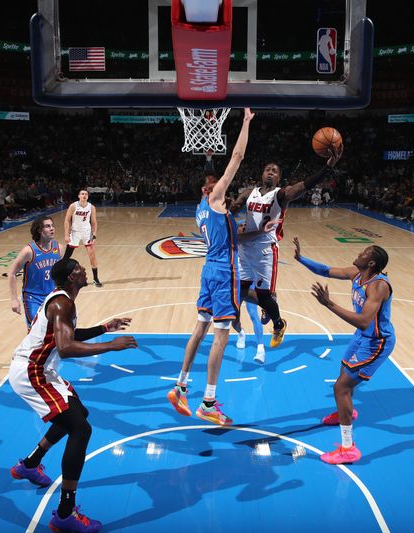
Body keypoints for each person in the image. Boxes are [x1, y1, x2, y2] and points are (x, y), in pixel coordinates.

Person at [8, 258, 137, 533]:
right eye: (78, 269)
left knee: (79, 415)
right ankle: (65, 514)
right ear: (70, 278)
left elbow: (67, 333)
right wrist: (110, 346)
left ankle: (30, 464)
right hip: (33, 371)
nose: (83, 271)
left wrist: (104, 328)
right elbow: (66, 347)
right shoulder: (62, 302)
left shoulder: (64, 301)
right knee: (81, 428)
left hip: (44, 370)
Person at [166, 108, 254, 426]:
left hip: (207, 272)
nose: (222, 187)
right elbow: (239, 155)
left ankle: (180, 385)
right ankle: (209, 402)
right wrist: (245, 122)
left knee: (199, 327)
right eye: (216, 185)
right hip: (223, 272)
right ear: (209, 190)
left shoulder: (201, 210)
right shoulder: (216, 198)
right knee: (221, 336)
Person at [230, 143, 343, 349]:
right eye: (268, 169)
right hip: (246, 250)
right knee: (242, 291)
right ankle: (264, 305)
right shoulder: (249, 193)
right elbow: (231, 211)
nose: (271, 172)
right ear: (262, 174)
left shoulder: (281, 195)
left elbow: (304, 185)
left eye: (275, 171)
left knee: (264, 295)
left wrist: (328, 167)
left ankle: (279, 324)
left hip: (265, 250)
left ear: (279, 178)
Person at [293, 237, 395, 464]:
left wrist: (329, 304)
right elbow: (327, 270)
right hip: (362, 337)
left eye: (365, 253)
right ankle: (344, 413)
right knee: (343, 373)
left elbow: (363, 321)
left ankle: (348, 448)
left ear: (371, 264)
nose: (360, 253)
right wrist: (301, 259)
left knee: (341, 387)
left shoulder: (378, 286)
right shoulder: (356, 273)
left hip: (377, 342)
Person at [8, 216, 61, 328]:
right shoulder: (29, 251)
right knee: (37, 328)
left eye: (52, 225)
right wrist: (14, 299)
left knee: (55, 329)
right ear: (39, 230)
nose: (52, 228)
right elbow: (12, 273)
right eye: (47, 226)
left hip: (52, 295)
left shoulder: (58, 247)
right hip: (33, 298)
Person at [63, 190, 102, 287]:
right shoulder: (73, 206)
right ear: (79, 196)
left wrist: (94, 235)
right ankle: (62, 276)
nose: (84, 195)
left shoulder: (91, 207)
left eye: (86, 194)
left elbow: (94, 222)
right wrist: (66, 235)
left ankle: (95, 278)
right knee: (67, 256)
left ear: (88, 197)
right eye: (82, 194)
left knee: (92, 255)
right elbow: (67, 220)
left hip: (87, 232)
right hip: (75, 232)